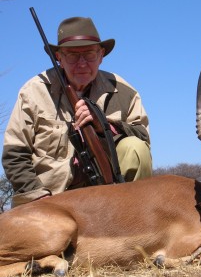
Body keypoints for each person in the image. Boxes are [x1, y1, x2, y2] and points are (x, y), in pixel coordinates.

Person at [2, 16, 152, 207]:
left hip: (110, 195)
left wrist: (104, 125)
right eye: (72, 55)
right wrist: (39, 198)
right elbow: (14, 155)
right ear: (59, 58)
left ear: (101, 55)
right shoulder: (32, 92)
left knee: (135, 147)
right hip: (52, 199)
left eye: (89, 54)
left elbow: (143, 136)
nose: (81, 64)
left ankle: (133, 219)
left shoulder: (124, 91)